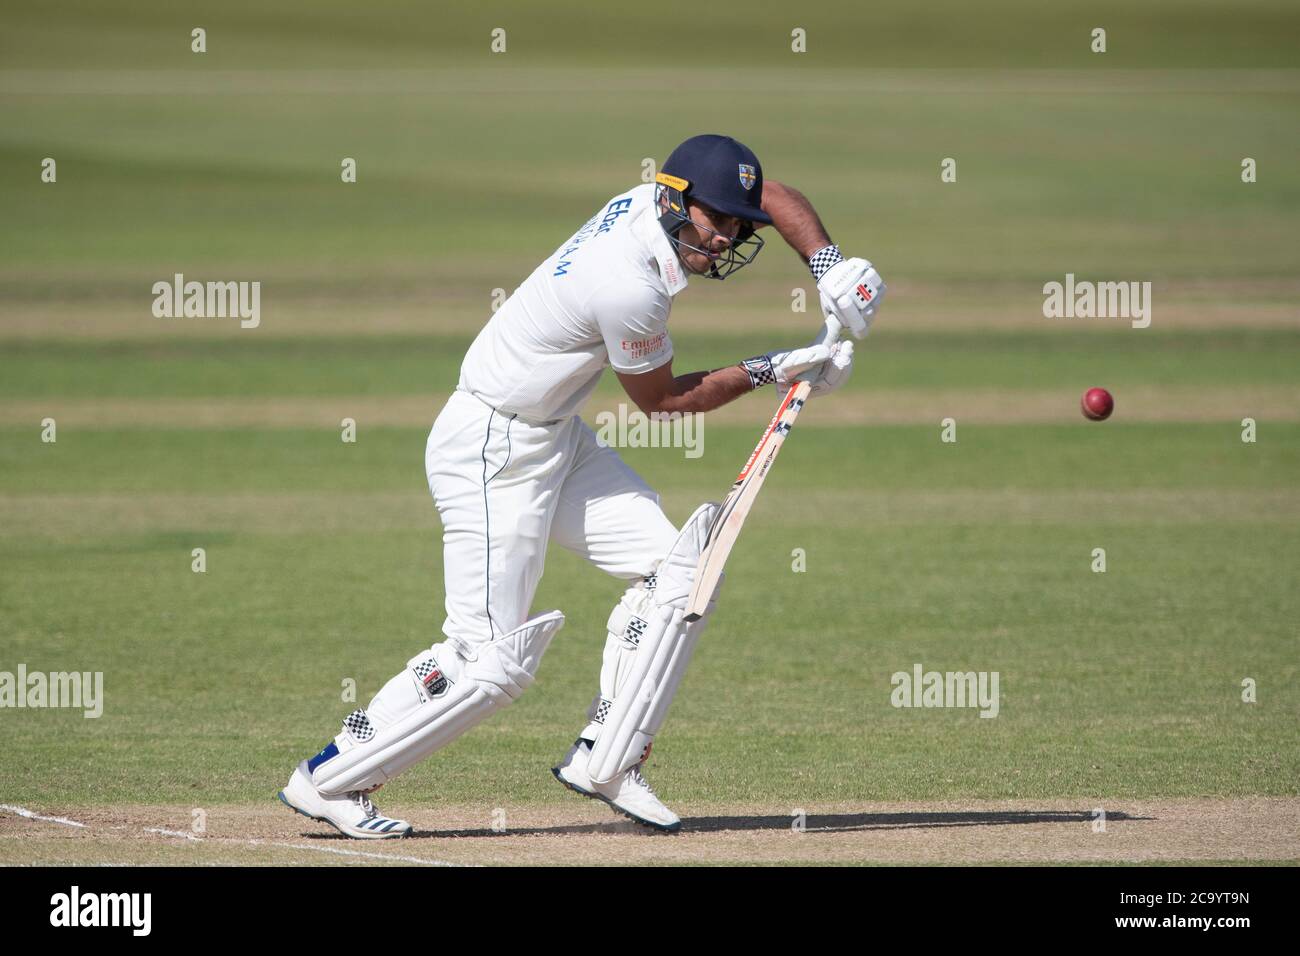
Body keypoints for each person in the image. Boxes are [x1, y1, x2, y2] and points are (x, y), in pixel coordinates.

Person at [278, 134, 886, 837]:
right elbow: (662, 403)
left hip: (552, 435)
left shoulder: (661, 200)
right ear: (674, 200)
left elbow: (771, 195)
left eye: (734, 228)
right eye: (716, 225)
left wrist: (830, 265)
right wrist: (775, 367)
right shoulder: (628, 285)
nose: (724, 242)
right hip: (489, 449)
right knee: (490, 664)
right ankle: (330, 777)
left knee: (679, 572)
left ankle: (608, 755)